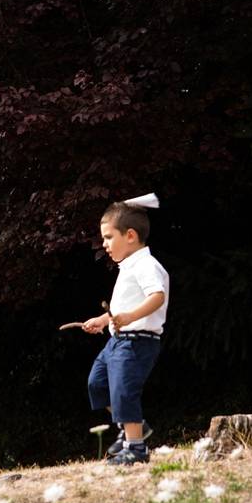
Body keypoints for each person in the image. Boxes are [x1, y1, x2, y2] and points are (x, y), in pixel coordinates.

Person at [83, 194, 169, 465]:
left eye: (109, 237)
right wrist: (103, 319)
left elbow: (157, 296)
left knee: (123, 391)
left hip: (138, 342)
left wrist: (129, 316)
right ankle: (136, 427)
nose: (104, 244)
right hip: (117, 341)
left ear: (130, 235)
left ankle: (136, 448)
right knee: (97, 384)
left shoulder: (147, 265)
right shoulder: (129, 266)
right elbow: (122, 307)